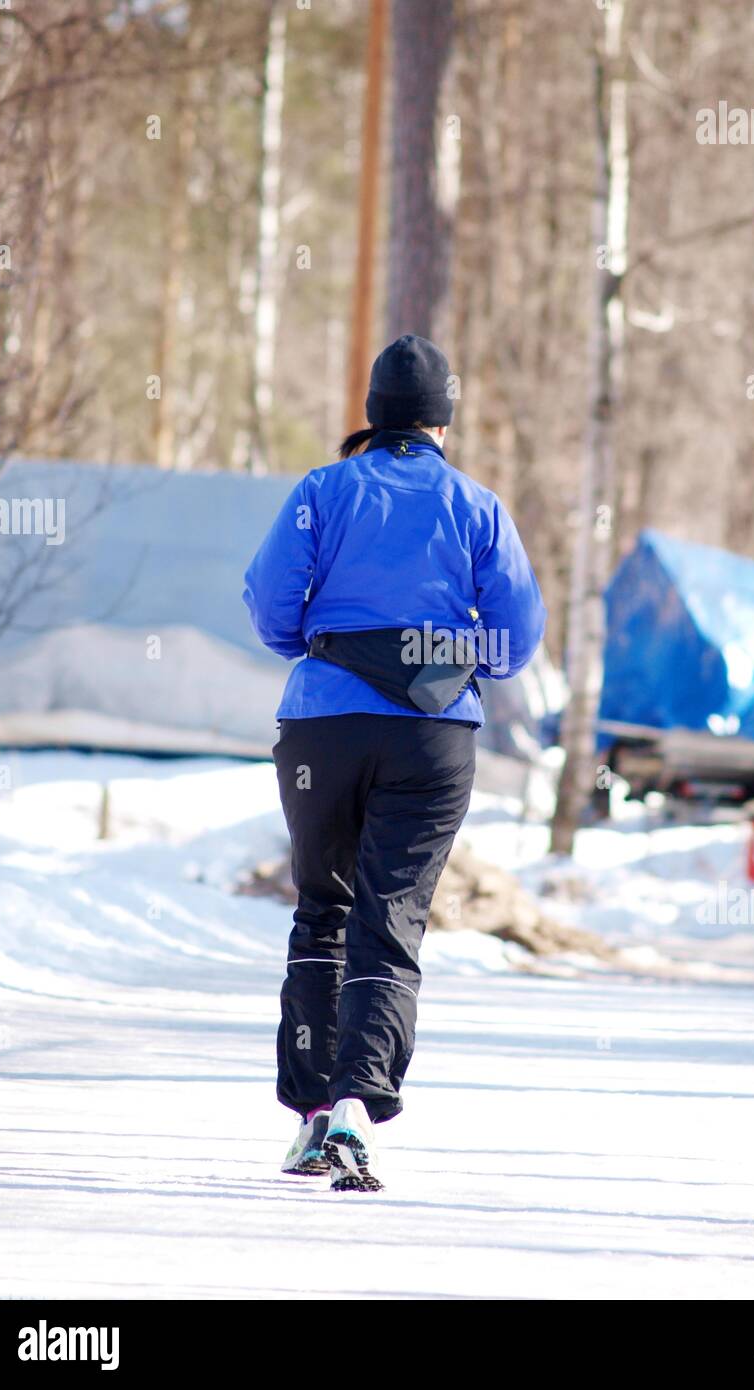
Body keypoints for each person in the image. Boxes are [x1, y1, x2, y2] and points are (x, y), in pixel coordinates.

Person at [242, 334, 546, 1191]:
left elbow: (270, 607)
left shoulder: (320, 491)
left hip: (322, 726)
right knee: (393, 917)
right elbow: (516, 640)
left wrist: (330, 643)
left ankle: (308, 1120)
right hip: (430, 734)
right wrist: (442, 656)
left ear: (371, 415)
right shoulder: (476, 505)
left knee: (321, 909)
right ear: (443, 423)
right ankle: (353, 1113)